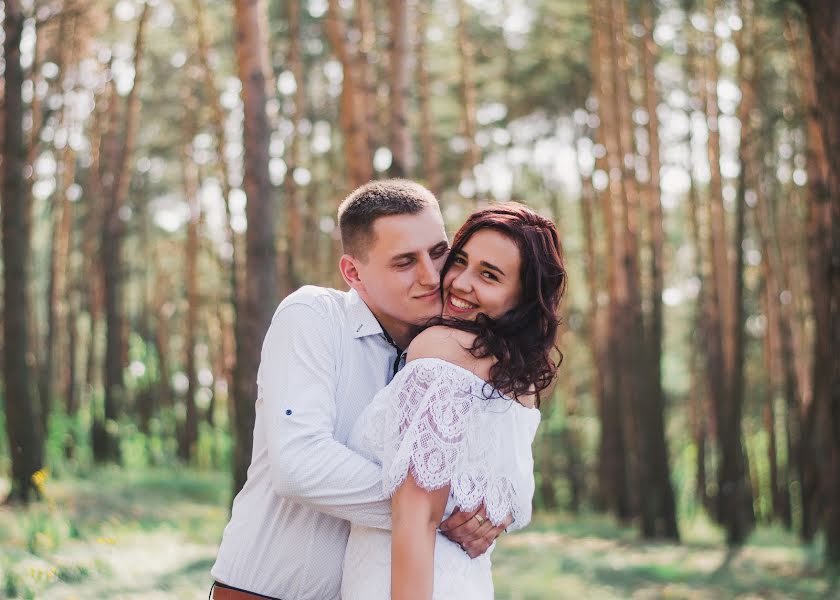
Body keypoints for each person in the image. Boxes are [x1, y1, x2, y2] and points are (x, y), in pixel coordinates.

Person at [210, 180, 506, 600]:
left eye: (439, 253)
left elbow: (486, 469)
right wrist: (436, 511)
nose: (431, 275)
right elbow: (301, 465)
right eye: (404, 262)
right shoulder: (313, 316)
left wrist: (489, 511)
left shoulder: (451, 353)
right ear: (353, 273)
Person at [341, 202, 566, 599]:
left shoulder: (439, 347)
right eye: (459, 261)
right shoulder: (519, 383)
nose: (460, 282)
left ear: (522, 299)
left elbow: (416, 515)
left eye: (489, 276)